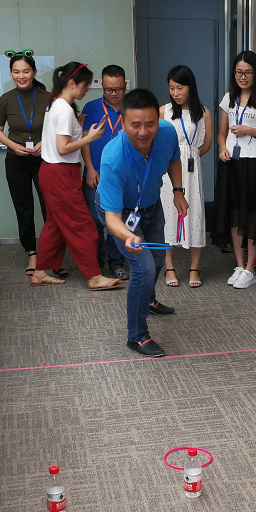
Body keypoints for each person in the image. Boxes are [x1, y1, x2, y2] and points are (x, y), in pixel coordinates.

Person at [99, 88, 188, 357]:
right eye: (135, 125)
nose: (143, 132)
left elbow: (174, 160)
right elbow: (111, 218)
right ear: (123, 121)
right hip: (120, 213)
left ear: (157, 120)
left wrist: (178, 191)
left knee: (158, 259)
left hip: (151, 205)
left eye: (150, 124)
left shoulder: (167, 132)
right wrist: (128, 235)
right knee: (144, 268)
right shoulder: (113, 158)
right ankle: (137, 336)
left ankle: (147, 300)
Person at [30, 61, 121, 290]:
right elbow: (63, 148)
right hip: (60, 174)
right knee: (84, 225)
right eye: (85, 85)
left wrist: (79, 129)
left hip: (54, 173)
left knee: (55, 225)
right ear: (72, 83)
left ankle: (40, 271)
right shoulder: (63, 108)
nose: (86, 90)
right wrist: (90, 137)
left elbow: (62, 140)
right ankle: (94, 276)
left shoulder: (57, 104)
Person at [213, 50, 256, 289]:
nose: (243, 77)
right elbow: (221, 133)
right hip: (230, 162)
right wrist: (222, 148)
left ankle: (251, 268)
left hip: (252, 162)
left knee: (251, 215)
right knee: (233, 213)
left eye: (248, 73)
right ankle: (240, 266)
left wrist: (251, 131)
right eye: (239, 73)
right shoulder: (228, 98)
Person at [0, 52, 51, 276]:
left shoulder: (48, 97)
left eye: (26, 71)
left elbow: (59, 128)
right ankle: (32, 253)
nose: (21, 76)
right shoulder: (6, 99)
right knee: (23, 208)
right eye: (16, 72)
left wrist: (44, 142)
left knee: (49, 207)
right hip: (16, 160)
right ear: (11, 73)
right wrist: (13, 146)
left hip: (43, 159)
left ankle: (52, 254)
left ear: (34, 72)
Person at [158, 65, 212, 288]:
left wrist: (190, 155)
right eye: (172, 88)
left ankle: (194, 268)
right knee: (167, 215)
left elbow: (206, 145)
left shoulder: (204, 113)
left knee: (195, 214)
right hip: (168, 171)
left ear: (190, 87)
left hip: (192, 170)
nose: (175, 93)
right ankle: (169, 266)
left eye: (180, 88)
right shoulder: (163, 111)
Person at [81, 64, 130, 281]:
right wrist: (90, 168)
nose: (114, 94)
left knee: (119, 221)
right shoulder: (91, 107)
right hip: (96, 175)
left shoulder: (131, 107)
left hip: (123, 177)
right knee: (95, 222)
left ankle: (117, 263)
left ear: (125, 86)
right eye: (109, 89)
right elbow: (84, 141)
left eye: (119, 89)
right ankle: (97, 264)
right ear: (102, 85)